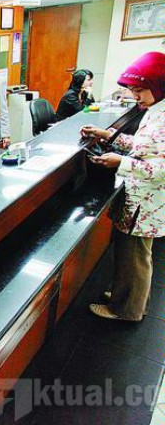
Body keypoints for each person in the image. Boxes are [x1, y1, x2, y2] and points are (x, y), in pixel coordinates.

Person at [81, 51, 165, 322]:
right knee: (132, 255)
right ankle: (130, 297)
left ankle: (126, 310)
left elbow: (161, 170)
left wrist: (121, 163)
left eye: (139, 91)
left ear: (158, 86)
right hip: (141, 198)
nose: (135, 96)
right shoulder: (155, 111)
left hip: (147, 202)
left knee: (135, 256)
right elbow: (143, 147)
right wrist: (108, 135)